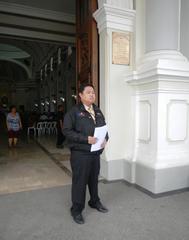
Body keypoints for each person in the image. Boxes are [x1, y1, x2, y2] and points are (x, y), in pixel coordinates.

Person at [63, 83, 109, 224]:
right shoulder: (74, 112)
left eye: (93, 92)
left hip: (95, 154)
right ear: (81, 95)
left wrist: (105, 139)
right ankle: (76, 210)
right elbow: (66, 131)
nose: (92, 94)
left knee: (93, 180)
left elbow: (105, 129)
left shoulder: (98, 110)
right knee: (80, 182)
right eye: (88, 92)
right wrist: (85, 139)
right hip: (80, 154)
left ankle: (94, 201)